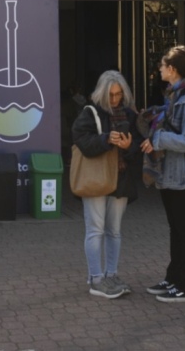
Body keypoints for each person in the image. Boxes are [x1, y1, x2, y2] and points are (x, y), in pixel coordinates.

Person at [140, 46, 185, 303]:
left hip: (181, 174)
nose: (159, 69)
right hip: (170, 174)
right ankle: (174, 277)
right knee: (176, 228)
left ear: (173, 69)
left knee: (184, 229)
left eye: (162, 65)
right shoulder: (174, 96)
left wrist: (159, 138)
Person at [71, 70, 141, 299]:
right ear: (102, 93)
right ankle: (96, 279)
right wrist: (105, 139)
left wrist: (128, 146)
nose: (115, 100)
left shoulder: (130, 115)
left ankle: (111, 275)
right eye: (111, 95)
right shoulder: (90, 113)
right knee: (95, 230)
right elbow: (81, 141)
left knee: (115, 231)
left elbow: (137, 148)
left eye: (119, 94)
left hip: (120, 179)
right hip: (96, 179)